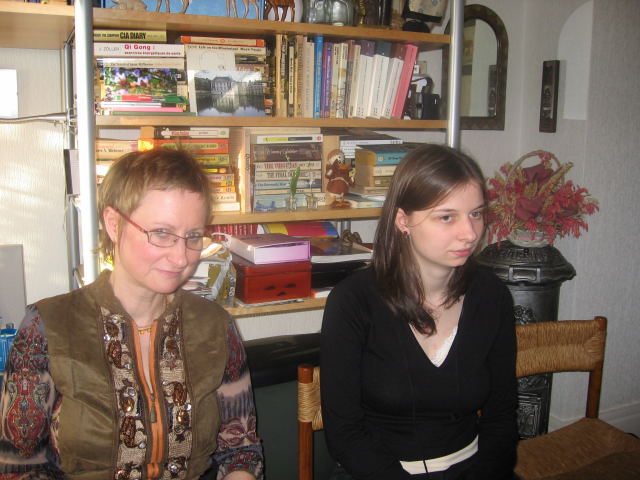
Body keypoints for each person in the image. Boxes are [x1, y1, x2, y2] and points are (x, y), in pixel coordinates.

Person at [0, 149, 263, 480]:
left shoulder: (215, 325)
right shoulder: (47, 326)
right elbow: (19, 466)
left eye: (193, 236)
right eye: (162, 233)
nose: (181, 258)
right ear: (114, 223)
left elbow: (240, 452)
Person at [320, 144, 518, 480]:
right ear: (403, 221)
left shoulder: (491, 296)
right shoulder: (353, 301)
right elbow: (345, 434)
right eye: (446, 217)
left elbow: (502, 415)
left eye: (476, 214)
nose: (470, 233)